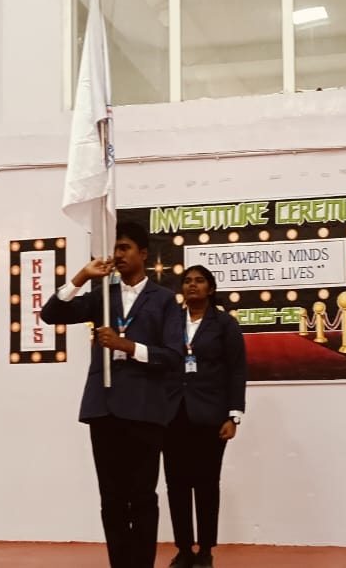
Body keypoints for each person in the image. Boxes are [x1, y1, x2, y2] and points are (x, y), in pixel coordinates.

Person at [41, 222, 183, 568]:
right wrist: (81, 277)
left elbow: (173, 356)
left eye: (124, 248)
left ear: (143, 254)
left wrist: (127, 346)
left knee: (142, 497)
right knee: (112, 498)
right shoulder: (103, 296)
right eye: (115, 249)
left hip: (145, 410)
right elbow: (51, 314)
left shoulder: (164, 300)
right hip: (104, 409)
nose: (117, 255)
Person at [162, 266, 247, 568]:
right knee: (177, 485)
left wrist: (233, 416)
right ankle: (184, 549)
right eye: (187, 281)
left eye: (199, 281)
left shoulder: (224, 324)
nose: (192, 285)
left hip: (211, 416)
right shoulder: (170, 322)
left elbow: (237, 370)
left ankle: (206, 550)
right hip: (173, 415)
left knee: (207, 484)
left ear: (210, 289)